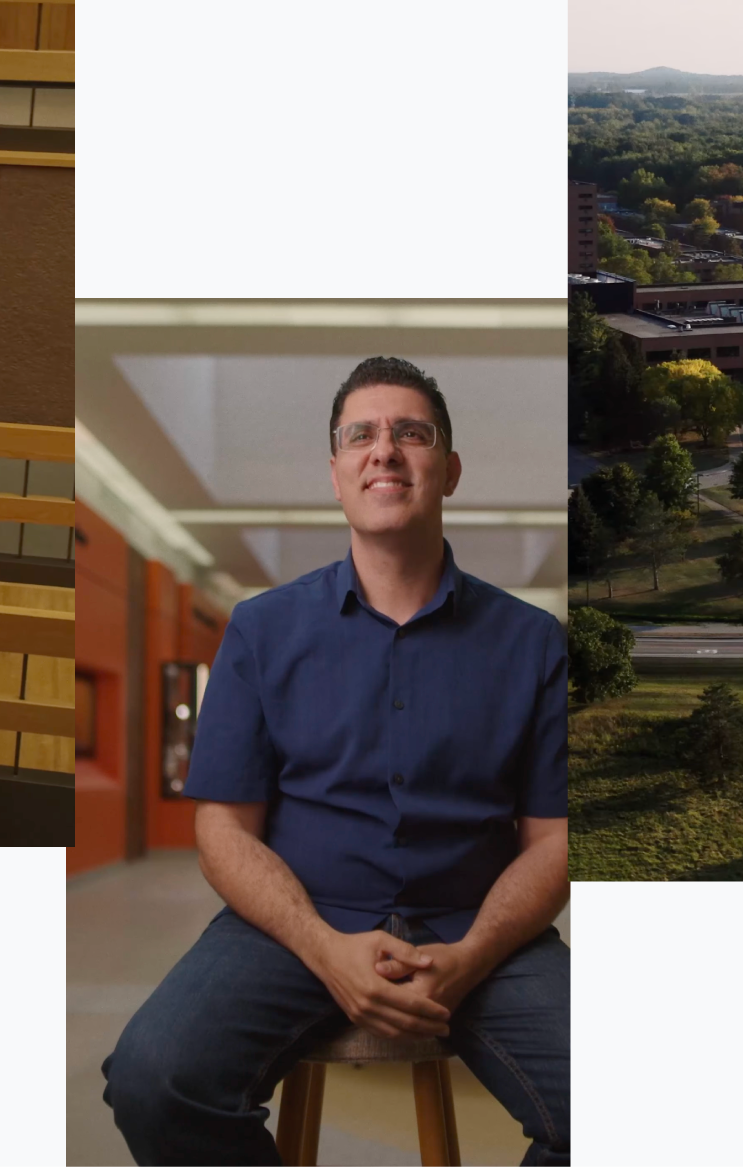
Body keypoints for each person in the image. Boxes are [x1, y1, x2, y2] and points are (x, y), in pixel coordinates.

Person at [101, 357, 569, 1166]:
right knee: (153, 1079)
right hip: (293, 923)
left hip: (475, 924)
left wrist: (470, 957)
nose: (384, 450)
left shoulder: (532, 643)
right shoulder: (260, 630)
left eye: (411, 434)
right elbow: (223, 830)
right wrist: (323, 948)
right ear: (337, 472)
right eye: (362, 435)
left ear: (448, 470)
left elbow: (557, 838)